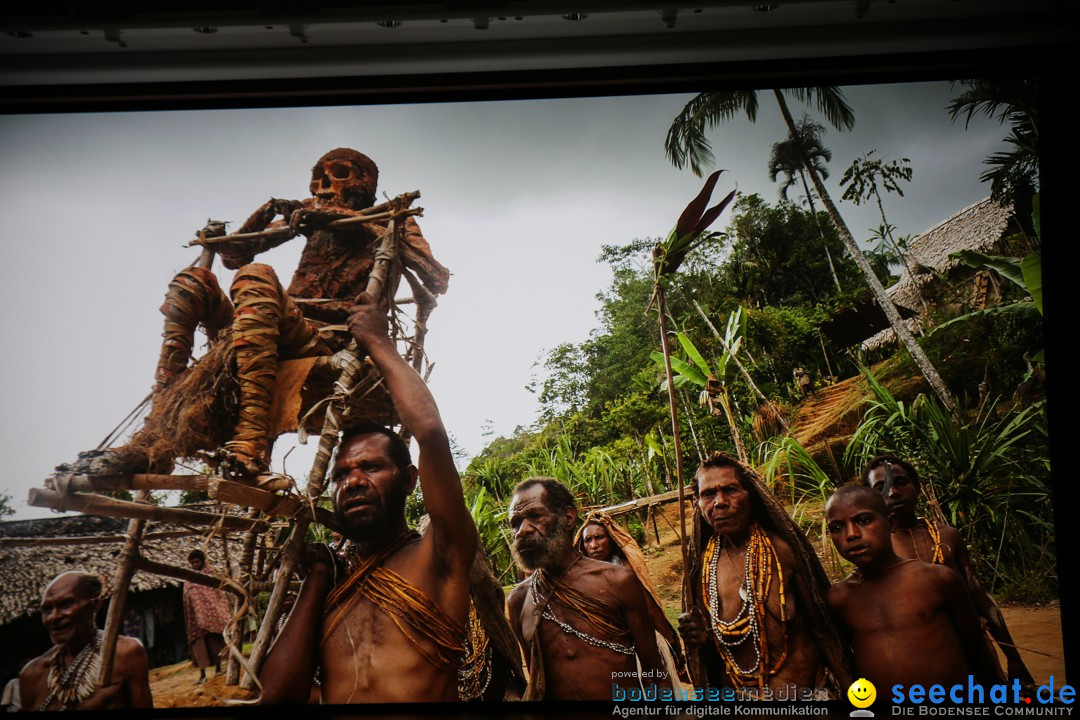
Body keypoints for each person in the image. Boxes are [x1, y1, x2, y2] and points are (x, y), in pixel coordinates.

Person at [72, 148, 449, 481]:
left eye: (337, 176)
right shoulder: (309, 212)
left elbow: (435, 277)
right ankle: (151, 441)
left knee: (256, 277)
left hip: (324, 339)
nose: (323, 187)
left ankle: (250, 441)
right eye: (318, 179)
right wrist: (271, 210)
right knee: (192, 282)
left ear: (364, 182)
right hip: (271, 327)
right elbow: (234, 255)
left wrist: (345, 218)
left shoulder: (388, 218)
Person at [259, 291, 476, 703]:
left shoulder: (442, 554)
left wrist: (378, 343)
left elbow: (430, 434)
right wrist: (317, 580)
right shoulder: (331, 580)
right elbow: (275, 697)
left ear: (411, 479)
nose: (353, 481)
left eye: (371, 467)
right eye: (341, 474)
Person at [678, 451, 850, 691]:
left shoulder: (782, 552)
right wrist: (702, 637)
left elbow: (824, 632)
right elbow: (717, 655)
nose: (719, 502)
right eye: (708, 494)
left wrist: (855, 697)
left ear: (751, 495)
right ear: (697, 502)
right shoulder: (702, 572)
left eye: (730, 490)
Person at [863, 455, 1033, 686]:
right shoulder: (875, 549)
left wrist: (1014, 658)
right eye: (881, 488)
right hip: (920, 660)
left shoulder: (947, 536)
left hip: (973, 651)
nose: (893, 492)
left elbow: (980, 597)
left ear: (918, 487)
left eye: (901, 482)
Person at [506, 477, 671, 700]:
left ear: (568, 518)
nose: (522, 531)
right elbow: (537, 681)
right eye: (515, 523)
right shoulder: (518, 601)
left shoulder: (617, 581)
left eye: (535, 516)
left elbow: (655, 673)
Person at [824, 485, 1001, 690]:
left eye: (863, 520)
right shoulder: (839, 598)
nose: (851, 534)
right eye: (837, 527)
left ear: (891, 523)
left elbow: (976, 647)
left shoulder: (936, 580)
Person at [573, 512, 687, 682]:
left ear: (611, 540)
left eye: (599, 538)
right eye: (588, 540)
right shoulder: (582, 578)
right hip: (604, 653)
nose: (594, 545)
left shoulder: (626, 571)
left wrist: (674, 650)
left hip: (639, 647)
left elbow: (651, 609)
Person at [18, 572, 152, 711]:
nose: (53, 617)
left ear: (96, 604)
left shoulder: (124, 654)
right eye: (47, 609)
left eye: (66, 604)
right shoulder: (32, 675)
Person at [183, 549, 231, 685]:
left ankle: (218, 669)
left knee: (215, 643)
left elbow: (218, 595)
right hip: (196, 620)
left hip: (212, 617)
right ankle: (202, 675)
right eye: (192, 562)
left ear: (203, 561)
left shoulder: (211, 575)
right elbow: (187, 600)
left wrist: (212, 612)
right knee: (200, 647)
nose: (195, 565)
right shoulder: (188, 578)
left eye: (197, 562)